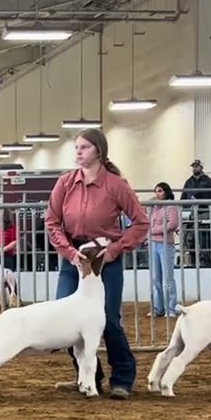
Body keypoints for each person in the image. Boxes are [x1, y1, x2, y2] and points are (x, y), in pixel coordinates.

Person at [44, 127, 149, 400]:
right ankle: (88, 375)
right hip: (74, 259)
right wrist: (68, 251)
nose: (78, 152)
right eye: (76, 147)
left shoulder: (116, 185)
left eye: (84, 147)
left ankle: (122, 377)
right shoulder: (65, 183)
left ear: (98, 151)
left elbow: (141, 222)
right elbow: (52, 221)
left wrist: (115, 250)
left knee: (109, 321)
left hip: (105, 261)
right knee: (64, 320)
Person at [147, 182, 180, 318]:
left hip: (166, 244)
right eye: (156, 191)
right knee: (156, 278)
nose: (157, 194)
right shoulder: (153, 207)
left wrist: (153, 231)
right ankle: (157, 308)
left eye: (160, 191)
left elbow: (173, 223)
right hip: (154, 243)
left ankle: (171, 308)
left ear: (166, 192)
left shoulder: (171, 206)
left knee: (167, 278)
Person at [181, 159, 211, 267]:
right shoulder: (188, 182)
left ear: (201, 167)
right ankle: (192, 261)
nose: (195, 168)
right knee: (190, 239)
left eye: (197, 166)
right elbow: (183, 197)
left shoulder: (208, 181)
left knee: (204, 238)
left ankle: (206, 263)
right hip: (190, 214)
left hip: (203, 212)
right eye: (193, 166)